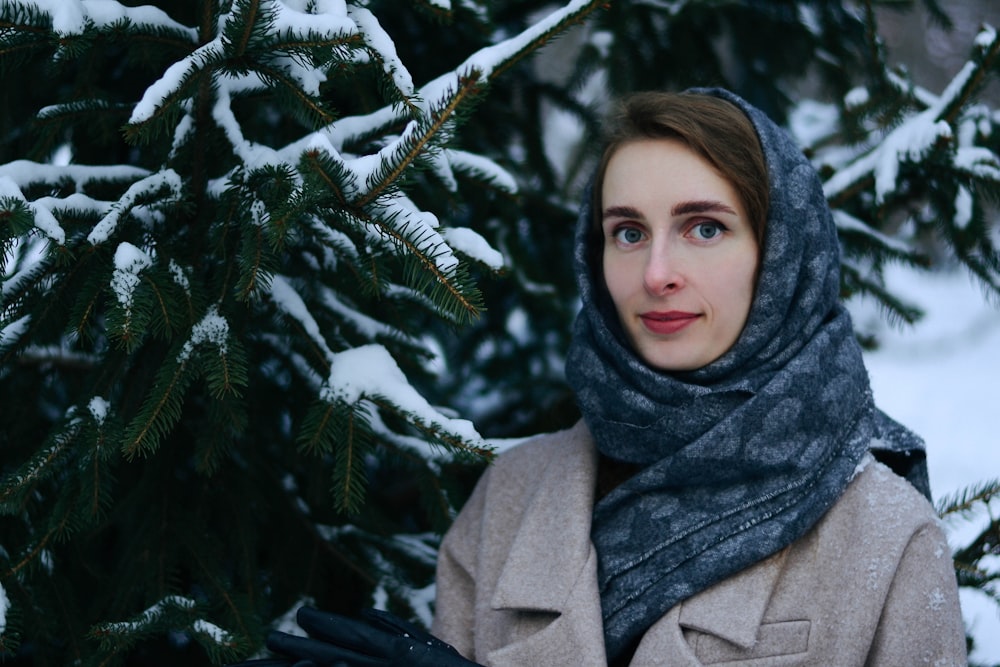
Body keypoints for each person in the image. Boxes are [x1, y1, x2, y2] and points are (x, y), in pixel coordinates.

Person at [236, 89, 967, 666]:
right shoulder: (514, 497)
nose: (655, 274)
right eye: (628, 231)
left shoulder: (884, 532)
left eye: (704, 227)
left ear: (781, 254)